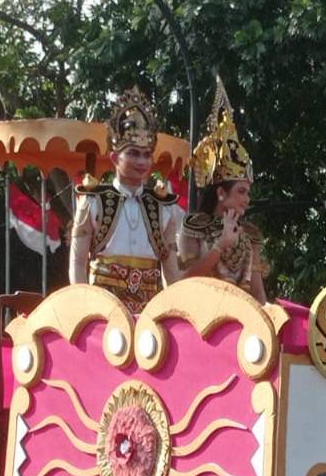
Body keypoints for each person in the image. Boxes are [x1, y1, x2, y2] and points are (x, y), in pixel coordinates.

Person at [68, 88, 185, 313]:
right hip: (103, 310)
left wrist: (174, 311)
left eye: (146, 154)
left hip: (149, 311)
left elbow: (170, 269)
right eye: (133, 153)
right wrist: (85, 309)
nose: (141, 161)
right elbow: (78, 262)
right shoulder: (93, 201)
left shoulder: (163, 207)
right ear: (114, 157)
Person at [178, 77, 266, 303]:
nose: (247, 199)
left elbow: (258, 294)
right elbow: (183, 282)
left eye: (247, 192)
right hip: (202, 314)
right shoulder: (194, 227)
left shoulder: (249, 235)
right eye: (241, 192)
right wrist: (220, 245)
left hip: (241, 318)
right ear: (221, 193)